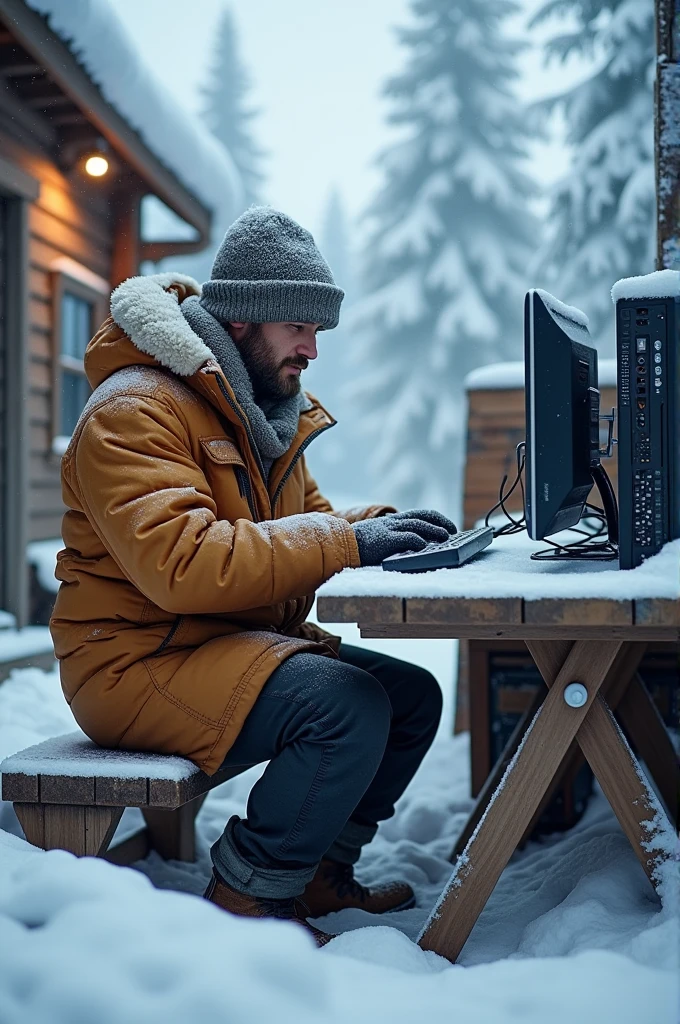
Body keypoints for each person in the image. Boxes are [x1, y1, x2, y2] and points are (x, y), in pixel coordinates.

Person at [50, 208, 454, 946]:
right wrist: (347, 541)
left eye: (318, 331)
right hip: (135, 662)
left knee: (410, 697)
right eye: (298, 326)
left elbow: (310, 520)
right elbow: (184, 564)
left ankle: (319, 874)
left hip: (217, 644)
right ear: (242, 321)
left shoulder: (257, 411)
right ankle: (247, 902)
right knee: (344, 705)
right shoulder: (136, 410)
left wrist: (393, 527)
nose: (312, 348)